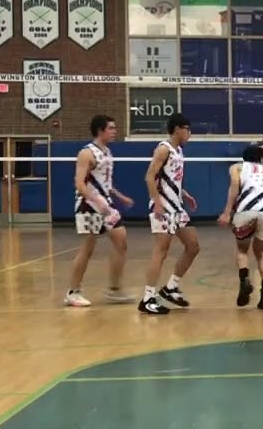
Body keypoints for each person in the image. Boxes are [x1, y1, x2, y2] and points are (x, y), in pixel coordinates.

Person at [65, 114, 135, 307]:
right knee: (88, 249)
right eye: (111, 128)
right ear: (100, 130)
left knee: (121, 242)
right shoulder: (86, 153)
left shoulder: (107, 152)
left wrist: (120, 198)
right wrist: (96, 200)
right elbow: (79, 183)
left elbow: (106, 183)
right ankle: (73, 292)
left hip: (107, 206)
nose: (114, 131)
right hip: (89, 206)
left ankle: (114, 290)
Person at [138, 113, 199, 315]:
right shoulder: (163, 148)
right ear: (177, 129)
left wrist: (185, 193)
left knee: (193, 246)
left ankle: (171, 287)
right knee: (161, 251)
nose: (189, 132)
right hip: (163, 206)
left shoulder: (179, 150)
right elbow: (149, 177)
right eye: (187, 128)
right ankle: (147, 298)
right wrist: (157, 203)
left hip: (177, 207)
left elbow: (170, 178)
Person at [217, 145, 263, 309]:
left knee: (242, 250)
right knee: (261, 253)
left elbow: (234, 188)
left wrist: (226, 212)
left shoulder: (237, 167)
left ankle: (244, 279)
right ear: (261, 158)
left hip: (245, 212)